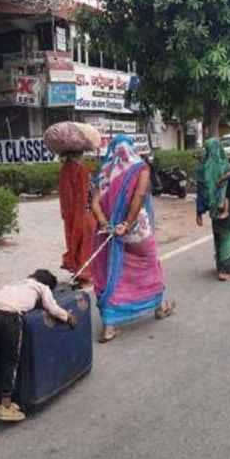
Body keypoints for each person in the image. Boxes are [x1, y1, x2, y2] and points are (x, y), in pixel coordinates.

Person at [91, 135, 175, 343]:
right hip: (137, 232)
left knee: (113, 275)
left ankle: (109, 326)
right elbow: (138, 197)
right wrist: (126, 224)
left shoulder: (104, 171)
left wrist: (105, 223)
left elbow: (94, 204)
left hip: (110, 233)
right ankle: (159, 306)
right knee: (150, 268)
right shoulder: (141, 167)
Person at [0, 270, 76, 422]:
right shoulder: (42, 287)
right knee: (10, 360)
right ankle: (6, 406)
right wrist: (68, 317)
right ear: (48, 283)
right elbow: (52, 307)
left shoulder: (15, 283)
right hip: (8, 317)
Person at [196, 141, 230, 281]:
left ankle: (219, 265)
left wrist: (199, 213)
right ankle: (226, 270)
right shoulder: (227, 167)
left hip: (214, 208)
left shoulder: (202, 170)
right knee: (229, 235)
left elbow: (201, 193)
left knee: (218, 234)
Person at [59, 153, 96, 286]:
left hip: (70, 215)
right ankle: (85, 273)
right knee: (87, 242)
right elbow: (89, 192)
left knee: (75, 241)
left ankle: (77, 269)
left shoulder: (65, 170)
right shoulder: (82, 170)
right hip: (85, 213)